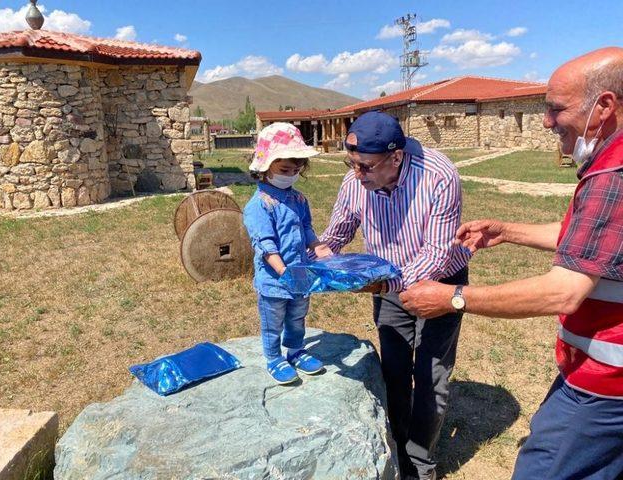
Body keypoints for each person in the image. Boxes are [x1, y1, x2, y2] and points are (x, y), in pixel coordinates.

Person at [400, 47, 623, 480]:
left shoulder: (612, 178)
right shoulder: (609, 170)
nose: (545, 121)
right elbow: (593, 244)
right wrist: (509, 231)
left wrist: (454, 298)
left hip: (604, 386)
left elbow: (563, 290)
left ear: (604, 107)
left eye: (556, 109)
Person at [319, 111, 470, 480]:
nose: (357, 174)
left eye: (365, 167)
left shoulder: (438, 176)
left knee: (431, 373)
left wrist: (388, 284)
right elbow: (336, 235)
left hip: (439, 282)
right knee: (396, 370)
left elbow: (438, 252)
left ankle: (420, 463)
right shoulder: (355, 181)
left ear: (396, 158)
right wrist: (316, 258)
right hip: (389, 284)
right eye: (351, 163)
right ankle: (398, 447)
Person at [243, 122, 332, 385]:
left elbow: (305, 227)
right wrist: (283, 272)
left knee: (297, 317)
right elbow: (265, 243)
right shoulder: (259, 205)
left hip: (300, 275)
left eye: (296, 170)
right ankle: (273, 357)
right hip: (275, 280)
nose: (291, 174)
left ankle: (295, 351)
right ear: (265, 166)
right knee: (273, 320)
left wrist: (317, 246)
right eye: (284, 170)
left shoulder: (299, 199)